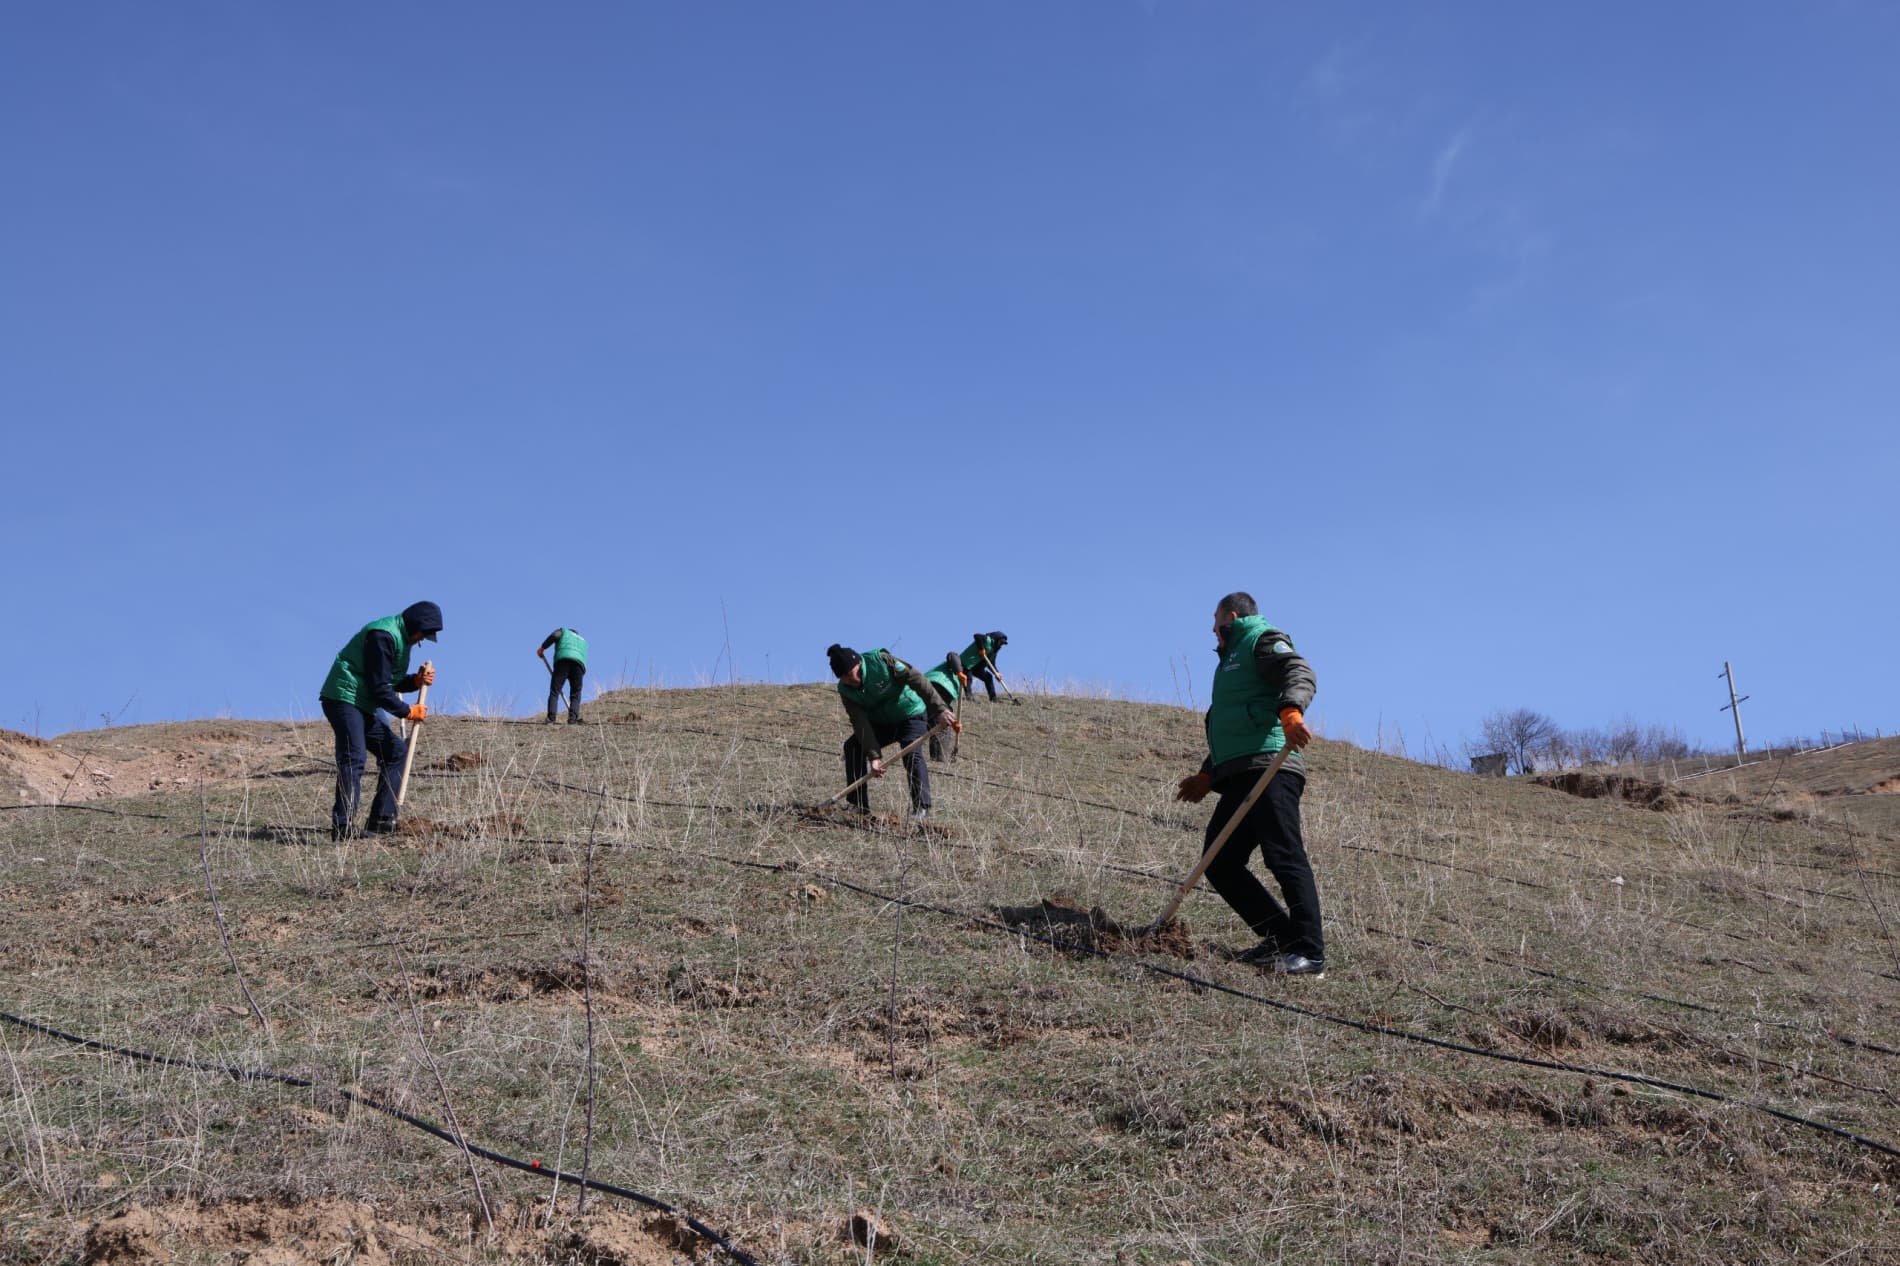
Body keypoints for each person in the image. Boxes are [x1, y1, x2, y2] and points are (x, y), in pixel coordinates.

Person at [1174, 592, 1324, 976]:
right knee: (1220, 862)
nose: (1212, 627)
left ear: (1232, 615)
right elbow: (1236, 723)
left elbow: (1299, 671)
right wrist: (1209, 774)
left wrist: (1291, 711)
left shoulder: (1261, 640)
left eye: (1215, 618)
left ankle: (1310, 952)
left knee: (1284, 855)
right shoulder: (1230, 661)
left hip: (1272, 766)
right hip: (1240, 772)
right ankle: (1280, 938)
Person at [318, 601, 443, 840]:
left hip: (363, 702)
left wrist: (415, 681)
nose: (421, 640)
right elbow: (378, 688)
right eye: (423, 634)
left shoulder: (401, 640)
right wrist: (407, 711)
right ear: (416, 625)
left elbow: (388, 680)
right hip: (344, 697)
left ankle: (381, 820)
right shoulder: (382, 636)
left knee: (396, 752)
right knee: (354, 757)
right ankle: (343, 827)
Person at [828, 644, 956, 822]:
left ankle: (921, 808)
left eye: (851, 675)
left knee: (912, 752)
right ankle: (858, 805)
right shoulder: (845, 690)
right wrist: (874, 756)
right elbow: (860, 723)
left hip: (911, 714)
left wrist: (940, 709)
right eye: (845, 679)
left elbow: (918, 680)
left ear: (857, 663)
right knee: (852, 747)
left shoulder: (882, 661)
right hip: (881, 723)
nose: (851, 682)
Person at [537, 626, 588, 724]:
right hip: (579, 666)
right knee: (575, 693)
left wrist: (542, 648)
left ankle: (551, 719)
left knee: (555, 690)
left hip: (563, 662)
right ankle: (573, 719)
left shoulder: (564, 632)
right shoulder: (583, 641)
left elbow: (554, 635)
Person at [924, 653, 969, 760]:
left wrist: (953, 722)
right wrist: (959, 672)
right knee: (942, 723)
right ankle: (939, 758)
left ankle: (937, 757)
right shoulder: (955, 665)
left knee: (938, 722)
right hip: (934, 687)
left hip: (935, 696)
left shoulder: (956, 683)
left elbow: (946, 707)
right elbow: (952, 655)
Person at [960, 631, 1009, 702]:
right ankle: (969, 697)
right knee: (968, 678)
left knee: (988, 677)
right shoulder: (987, 640)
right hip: (967, 662)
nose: (1001, 645)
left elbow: (991, 664)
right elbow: (977, 636)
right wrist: (981, 648)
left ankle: (993, 698)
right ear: (997, 639)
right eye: (1001, 642)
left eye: (1002, 644)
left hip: (976, 667)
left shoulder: (994, 651)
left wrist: (996, 673)